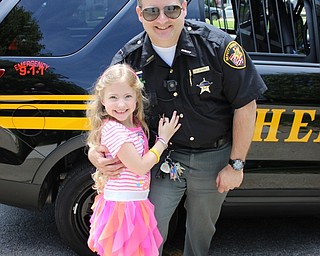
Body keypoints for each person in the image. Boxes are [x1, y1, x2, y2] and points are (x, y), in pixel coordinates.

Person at [88, 0, 268, 255]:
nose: (162, 20)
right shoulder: (129, 59)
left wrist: (236, 164)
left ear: (184, 7)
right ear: (140, 14)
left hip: (213, 159)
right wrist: (93, 152)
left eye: (171, 9)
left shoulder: (217, 46)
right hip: (161, 161)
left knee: (201, 232)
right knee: (148, 232)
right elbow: (106, 110)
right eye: (152, 11)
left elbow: (246, 104)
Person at [86, 63, 181, 256]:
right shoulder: (114, 129)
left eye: (127, 96)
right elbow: (139, 166)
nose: (121, 104)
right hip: (122, 209)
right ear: (102, 100)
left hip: (135, 203)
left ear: (137, 98)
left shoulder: (135, 125)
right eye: (113, 97)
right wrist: (163, 141)